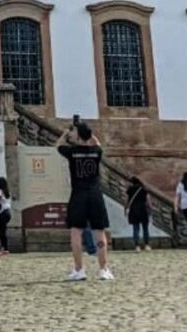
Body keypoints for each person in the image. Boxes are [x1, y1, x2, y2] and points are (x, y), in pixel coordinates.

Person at [57, 120, 113, 281]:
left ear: (78, 135)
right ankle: (104, 269)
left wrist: (66, 133)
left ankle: (79, 269)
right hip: (95, 194)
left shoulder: (72, 152)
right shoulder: (96, 151)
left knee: (76, 232)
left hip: (78, 194)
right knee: (99, 232)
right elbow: (97, 143)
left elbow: (58, 145)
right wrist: (87, 134)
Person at [125, 176, 151, 251]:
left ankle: (137, 246)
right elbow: (148, 201)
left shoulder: (129, 190)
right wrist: (150, 209)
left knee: (135, 228)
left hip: (133, 210)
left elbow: (126, 200)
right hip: (143, 209)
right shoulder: (144, 189)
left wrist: (125, 209)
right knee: (145, 228)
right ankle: (147, 245)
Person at [0, 177, 12, 256]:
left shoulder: (0, 191)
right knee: (2, 231)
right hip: (8, 212)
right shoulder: (7, 192)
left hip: (2, 212)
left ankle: (4, 248)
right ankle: (5, 248)